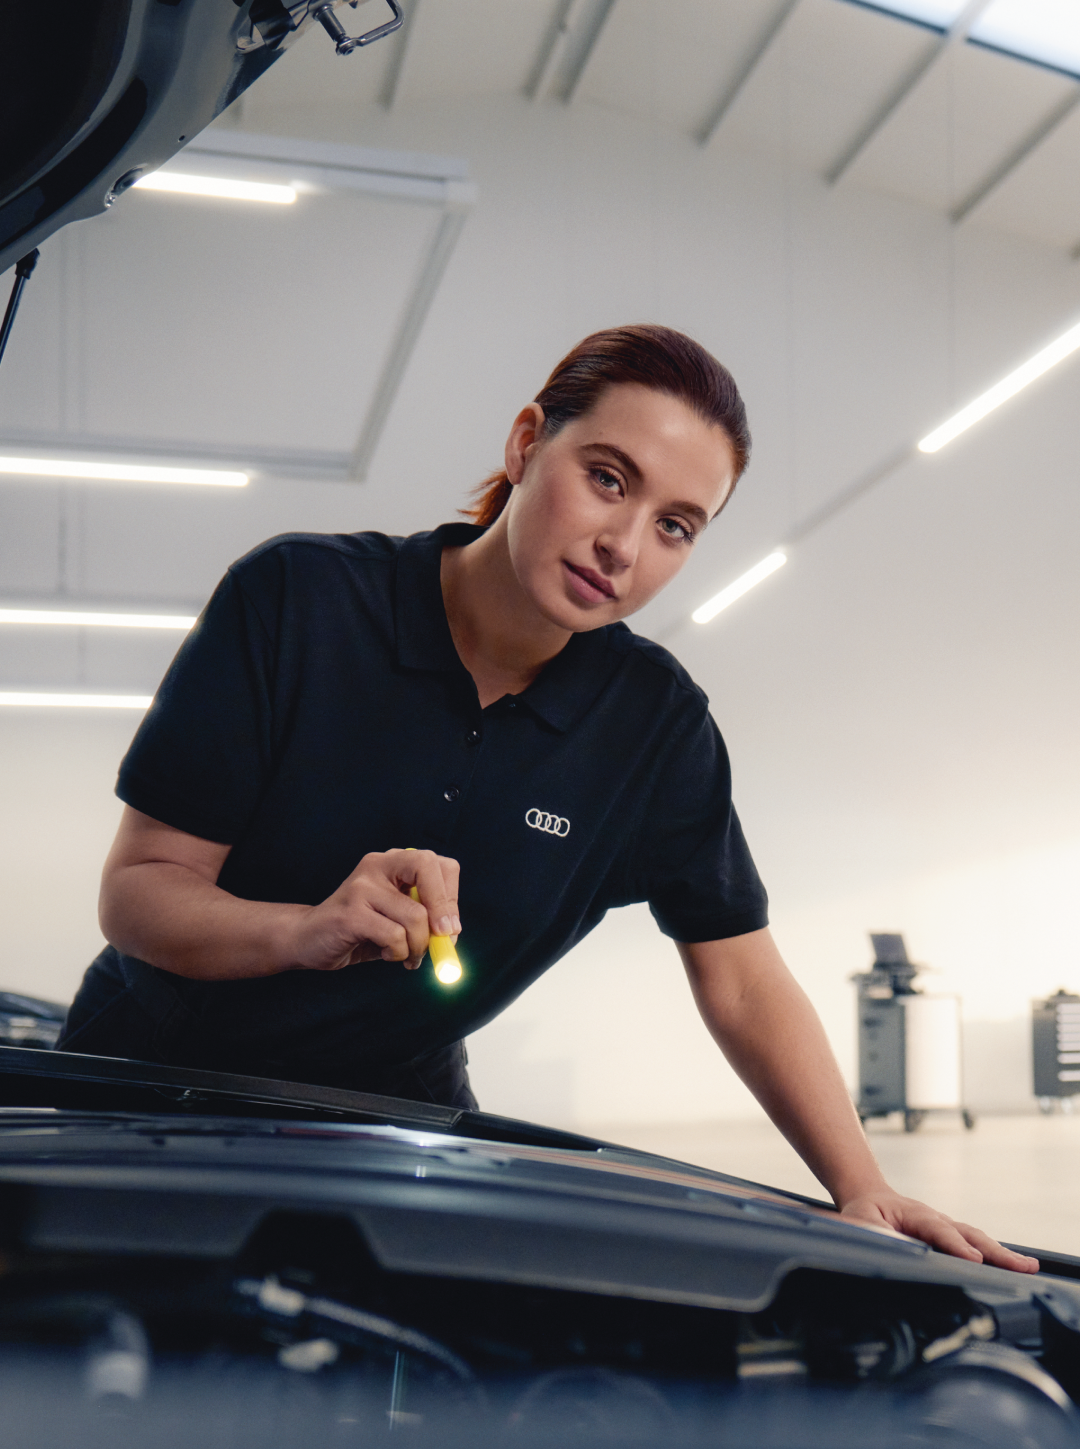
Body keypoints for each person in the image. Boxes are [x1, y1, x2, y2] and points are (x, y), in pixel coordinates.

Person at [59, 324, 1035, 1274]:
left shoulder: (654, 730)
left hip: (393, 1118)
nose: (624, 544)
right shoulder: (299, 602)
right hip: (159, 1088)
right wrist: (299, 930)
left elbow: (740, 977)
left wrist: (861, 1185)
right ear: (527, 443)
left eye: (675, 527)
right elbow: (140, 890)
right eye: (608, 479)